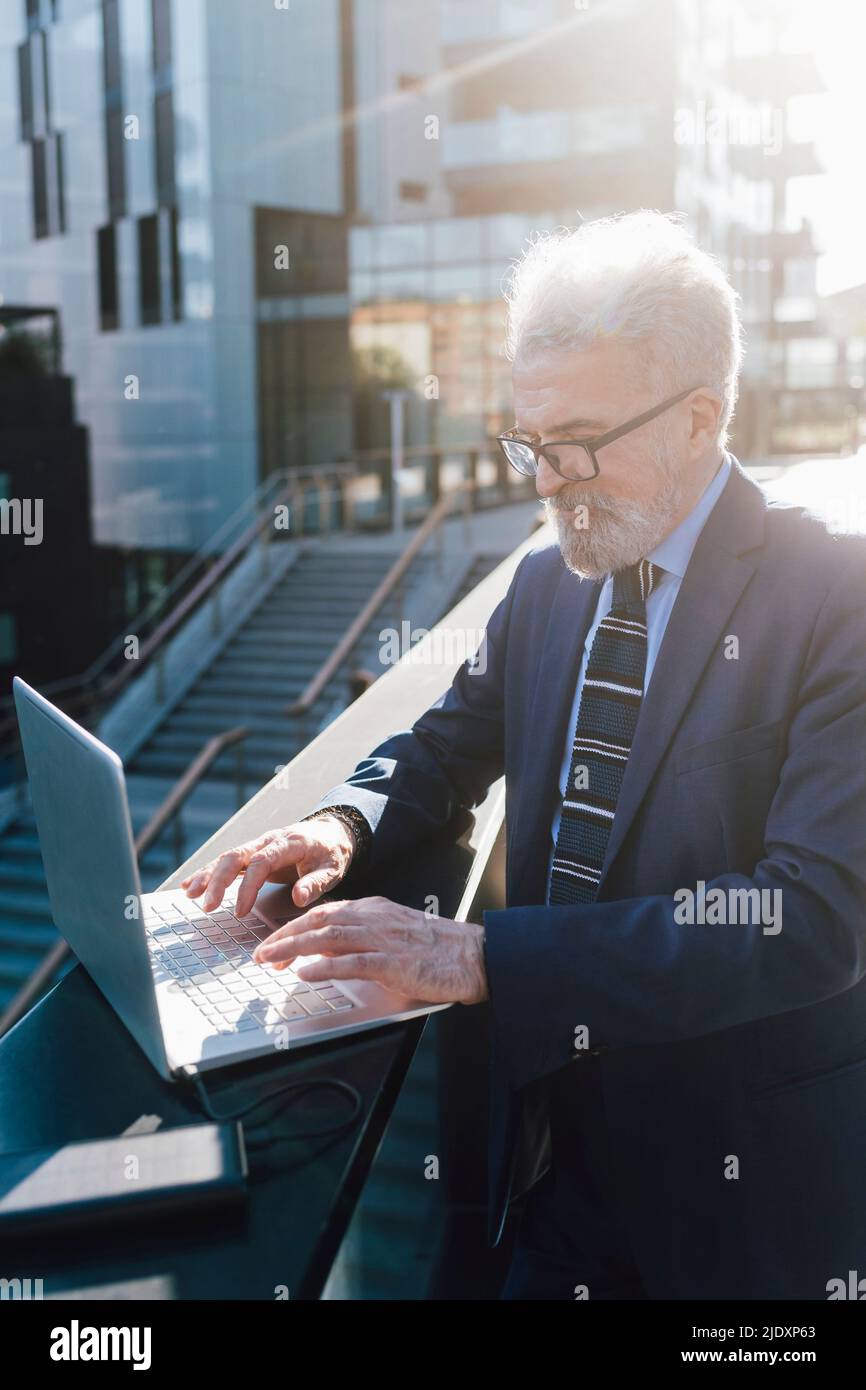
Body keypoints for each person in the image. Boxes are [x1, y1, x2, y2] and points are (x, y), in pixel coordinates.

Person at [182, 211, 866, 1300]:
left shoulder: (836, 596)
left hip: (741, 1211)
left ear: (699, 416)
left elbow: (809, 917)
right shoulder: (548, 583)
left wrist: (480, 957)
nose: (544, 482)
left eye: (576, 442)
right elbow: (448, 741)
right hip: (545, 1172)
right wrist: (338, 823)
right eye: (527, 442)